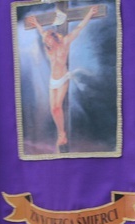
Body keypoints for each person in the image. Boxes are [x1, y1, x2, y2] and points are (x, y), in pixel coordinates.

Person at [27, 6, 98, 151]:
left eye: (48, 39)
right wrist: (37, 24)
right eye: (46, 41)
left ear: (53, 37)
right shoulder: (49, 48)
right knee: (53, 109)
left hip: (63, 78)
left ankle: (62, 134)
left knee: (58, 107)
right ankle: (62, 133)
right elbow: (41, 33)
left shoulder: (64, 42)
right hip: (52, 81)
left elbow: (78, 28)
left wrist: (89, 14)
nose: (46, 42)